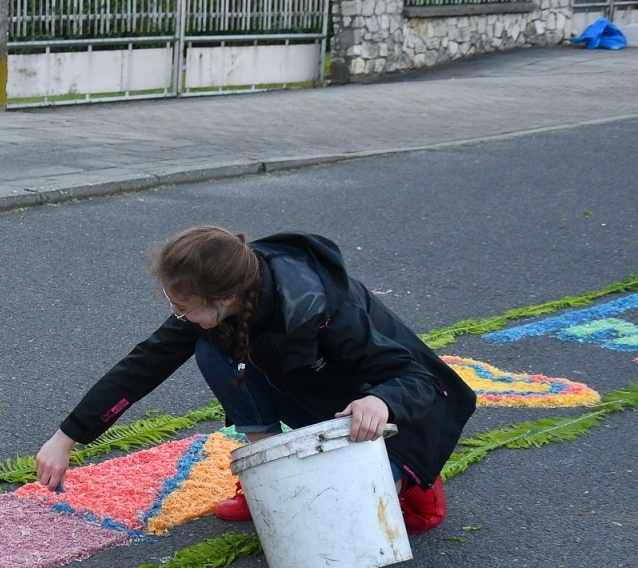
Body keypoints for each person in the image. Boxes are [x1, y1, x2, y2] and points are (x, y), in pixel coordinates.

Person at [35, 226, 475, 534]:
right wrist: (66, 436)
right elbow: (143, 364)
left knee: (349, 527)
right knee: (210, 349)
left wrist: (381, 402)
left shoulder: (326, 310)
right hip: (315, 399)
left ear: (226, 297)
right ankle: (269, 478)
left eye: (184, 307)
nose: (179, 316)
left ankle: (413, 476)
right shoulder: (227, 291)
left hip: (387, 415)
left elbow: (417, 377)